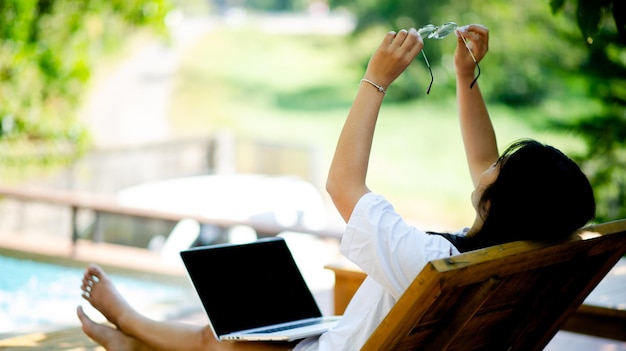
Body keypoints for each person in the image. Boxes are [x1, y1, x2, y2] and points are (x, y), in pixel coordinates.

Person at [77, 24, 596, 351]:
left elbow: (342, 184)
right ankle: (134, 340)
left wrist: (375, 80)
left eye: (501, 167)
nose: (489, 163)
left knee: (223, 341)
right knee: (248, 326)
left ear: (498, 199)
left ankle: (127, 322)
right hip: (341, 335)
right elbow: (484, 161)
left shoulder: (428, 259)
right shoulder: (511, 255)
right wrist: (465, 75)